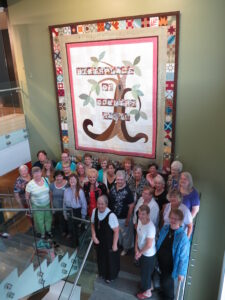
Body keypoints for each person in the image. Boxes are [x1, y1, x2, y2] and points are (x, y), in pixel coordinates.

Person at [157, 208, 190, 300]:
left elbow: (184, 257)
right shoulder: (165, 228)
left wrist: (182, 273)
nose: (173, 220)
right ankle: (163, 293)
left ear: (180, 221)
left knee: (167, 284)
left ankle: (168, 297)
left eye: (176, 219)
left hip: (170, 265)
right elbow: (159, 242)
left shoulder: (182, 237)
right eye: (172, 218)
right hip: (160, 261)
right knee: (162, 280)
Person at [91, 195, 120, 283]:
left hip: (109, 242)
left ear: (106, 204)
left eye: (102, 204)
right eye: (98, 204)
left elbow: (116, 231)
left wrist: (114, 245)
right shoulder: (94, 211)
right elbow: (92, 224)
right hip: (99, 240)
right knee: (100, 258)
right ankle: (102, 273)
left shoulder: (111, 215)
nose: (100, 206)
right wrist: (93, 235)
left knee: (109, 260)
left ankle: (110, 276)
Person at [109, 170, 134, 256]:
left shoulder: (128, 191)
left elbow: (131, 206)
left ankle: (126, 249)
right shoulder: (113, 186)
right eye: (118, 179)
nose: (119, 181)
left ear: (125, 179)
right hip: (114, 217)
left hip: (124, 218)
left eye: (121, 179)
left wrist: (128, 219)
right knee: (118, 233)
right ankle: (119, 245)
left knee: (125, 235)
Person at [135, 205, 156, 299]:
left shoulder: (150, 227)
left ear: (148, 215)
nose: (140, 215)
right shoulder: (140, 221)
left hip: (148, 255)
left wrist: (140, 253)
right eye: (139, 213)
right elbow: (137, 235)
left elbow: (148, 244)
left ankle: (147, 292)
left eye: (143, 214)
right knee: (144, 272)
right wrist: (136, 249)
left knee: (146, 273)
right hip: (141, 251)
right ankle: (146, 286)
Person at [25, 167, 52, 239]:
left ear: (41, 173)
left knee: (48, 218)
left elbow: (50, 192)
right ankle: (42, 234)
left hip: (47, 204)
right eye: (35, 173)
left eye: (38, 173)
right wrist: (30, 207)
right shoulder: (30, 184)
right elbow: (27, 197)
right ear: (32, 175)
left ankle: (48, 231)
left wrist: (51, 204)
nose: (37, 175)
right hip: (37, 206)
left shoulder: (46, 180)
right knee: (39, 221)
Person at [63, 174, 87, 244]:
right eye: (70, 179)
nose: (72, 180)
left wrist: (83, 216)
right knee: (71, 228)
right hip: (69, 211)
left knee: (77, 229)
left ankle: (78, 244)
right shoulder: (66, 191)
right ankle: (74, 242)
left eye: (74, 179)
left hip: (77, 212)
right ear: (68, 181)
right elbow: (64, 203)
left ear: (77, 180)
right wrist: (64, 213)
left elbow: (84, 204)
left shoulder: (80, 191)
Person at [49, 170, 68, 236]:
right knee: (58, 220)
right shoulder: (52, 185)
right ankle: (60, 232)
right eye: (57, 176)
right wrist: (52, 207)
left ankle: (65, 232)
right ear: (55, 177)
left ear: (63, 176)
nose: (58, 178)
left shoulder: (67, 184)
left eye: (60, 176)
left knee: (64, 221)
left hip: (65, 208)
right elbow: (50, 197)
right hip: (56, 207)